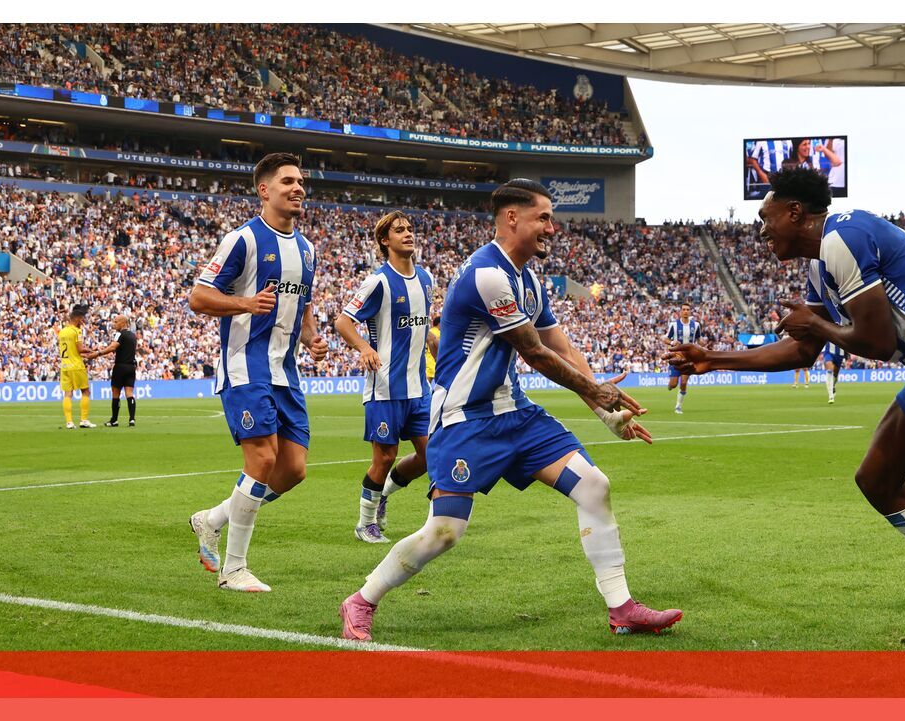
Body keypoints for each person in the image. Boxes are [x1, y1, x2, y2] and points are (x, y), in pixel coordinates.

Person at [666, 167, 905, 682]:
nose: (761, 230)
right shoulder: (821, 264)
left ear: (795, 212)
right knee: (877, 479)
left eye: (766, 217)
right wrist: (715, 358)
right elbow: (805, 351)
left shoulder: (842, 236)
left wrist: (818, 323)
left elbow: (868, 341)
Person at [339, 179, 680, 641]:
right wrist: (596, 396)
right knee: (444, 532)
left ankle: (622, 608)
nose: (552, 228)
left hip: (514, 413)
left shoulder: (528, 278)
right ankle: (361, 600)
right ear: (511, 218)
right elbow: (536, 353)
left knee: (595, 486)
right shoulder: (487, 274)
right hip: (464, 418)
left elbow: (561, 345)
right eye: (543, 218)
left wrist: (603, 409)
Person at [187, 152, 329, 593]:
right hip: (244, 364)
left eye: (301, 180)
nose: (298, 187)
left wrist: (311, 337)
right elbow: (199, 297)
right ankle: (234, 569)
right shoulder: (242, 240)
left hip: (286, 371)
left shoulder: (307, 249)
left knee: (293, 470)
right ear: (264, 190)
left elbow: (303, 303)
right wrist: (245, 303)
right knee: (263, 459)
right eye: (288, 181)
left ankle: (211, 519)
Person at [334, 210, 435, 544]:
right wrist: (363, 346)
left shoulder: (426, 279)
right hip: (386, 386)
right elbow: (344, 321)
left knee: (431, 453)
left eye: (410, 228)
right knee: (385, 456)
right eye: (398, 230)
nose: (407, 233)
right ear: (384, 240)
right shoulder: (378, 281)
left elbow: (425, 329)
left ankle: (386, 494)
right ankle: (365, 524)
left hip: (420, 388)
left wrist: (438, 349)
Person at [89, 314, 138, 427]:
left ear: (123, 323)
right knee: (129, 394)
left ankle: (114, 420)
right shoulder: (133, 335)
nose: (113, 324)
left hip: (120, 367)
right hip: (131, 367)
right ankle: (131, 419)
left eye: (116, 322)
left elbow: (112, 347)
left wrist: (98, 353)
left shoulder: (119, 334)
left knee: (116, 394)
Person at [58, 304, 97, 429]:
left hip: (64, 366)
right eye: (82, 319)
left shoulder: (62, 332)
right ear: (77, 318)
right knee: (85, 391)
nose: (83, 321)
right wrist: (92, 351)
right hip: (76, 366)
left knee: (67, 394)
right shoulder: (77, 331)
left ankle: (69, 422)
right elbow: (80, 349)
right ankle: (84, 420)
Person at [665, 304, 700, 414]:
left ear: (690, 312)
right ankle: (670, 386)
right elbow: (665, 339)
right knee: (673, 384)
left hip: (689, 358)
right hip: (676, 357)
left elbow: (698, 340)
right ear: (680, 312)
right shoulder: (674, 325)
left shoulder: (696, 325)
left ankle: (678, 406)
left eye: (688, 310)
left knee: (684, 383)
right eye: (683, 309)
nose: (685, 311)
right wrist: (671, 342)